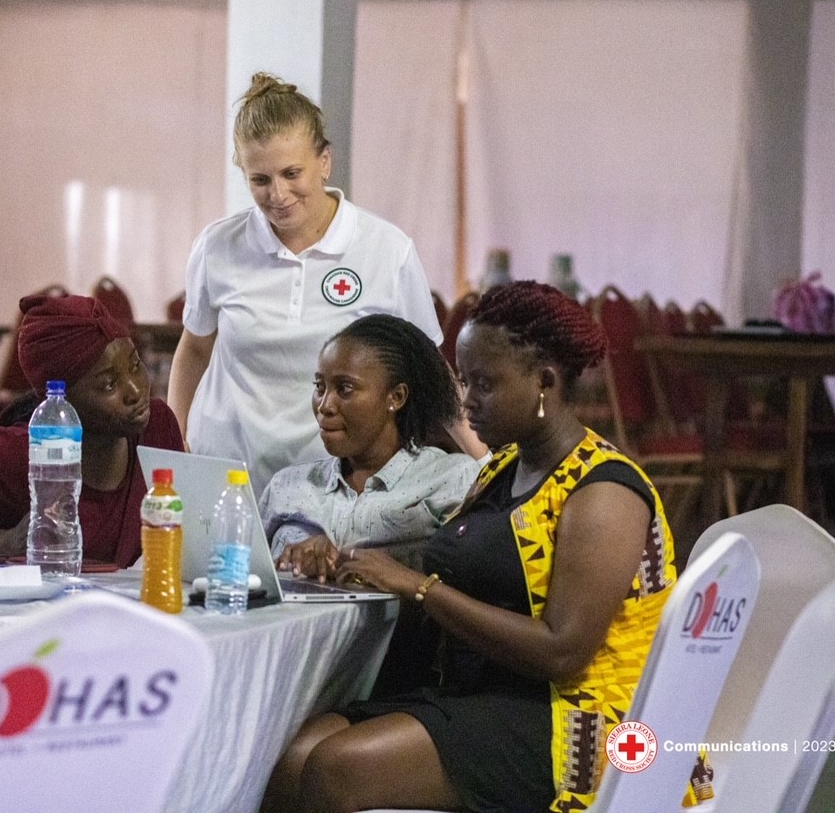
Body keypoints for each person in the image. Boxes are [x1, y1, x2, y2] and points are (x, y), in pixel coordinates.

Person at [265, 281, 686, 813]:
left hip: (574, 718)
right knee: (292, 756)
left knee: (335, 769)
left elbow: (563, 650)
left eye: (484, 384)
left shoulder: (602, 489)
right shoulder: (504, 469)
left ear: (545, 383)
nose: (466, 402)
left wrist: (419, 588)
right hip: (477, 691)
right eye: (464, 381)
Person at [168, 72, 444, 497]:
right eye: (260, 180)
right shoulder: (217, 246)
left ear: (325, 162)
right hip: (226, 473)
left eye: (291, 173)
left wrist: (482, 463)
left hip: (333, 486)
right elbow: (195, 348)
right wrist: (174, 439)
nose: (278, 194)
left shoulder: (386, 249)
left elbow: (430, 370)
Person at [0, 294, 184, 567]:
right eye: (108, 384)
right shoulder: (17, 454)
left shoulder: (157, 428)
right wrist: (3, 542)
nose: (135, 390)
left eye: (135, 365)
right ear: (62, 401)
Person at [261, 314, 480, 578]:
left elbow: (464, 591)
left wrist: (342, 562)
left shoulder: (452, 478)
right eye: (320, 386)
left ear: (396, 397)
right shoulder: (286, 485)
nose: (324, 405)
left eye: (345, 389)